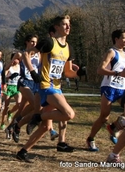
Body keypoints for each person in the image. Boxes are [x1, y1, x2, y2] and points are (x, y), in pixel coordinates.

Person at [16, 15, 85, 162]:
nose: (68, 27)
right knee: (68, 113)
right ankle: (37, 117)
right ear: (56, 27)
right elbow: (26, 54)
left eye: (69, 25)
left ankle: (23, 152)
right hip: (46, 86)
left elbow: (67, 72)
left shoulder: (68, 48)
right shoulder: (49, 42)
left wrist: (78, 73)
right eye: (65, 24)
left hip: (57, 87)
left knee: (45, 127)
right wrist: (33, 73)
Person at [86, 29, 125, 151]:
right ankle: (90, 139)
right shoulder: (111, 52)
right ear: (116, 38)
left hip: (122, 88)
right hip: (109, 87)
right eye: (124, 38)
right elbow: (100, 70)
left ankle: (114, 127)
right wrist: (115, 73)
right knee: (104, 116)